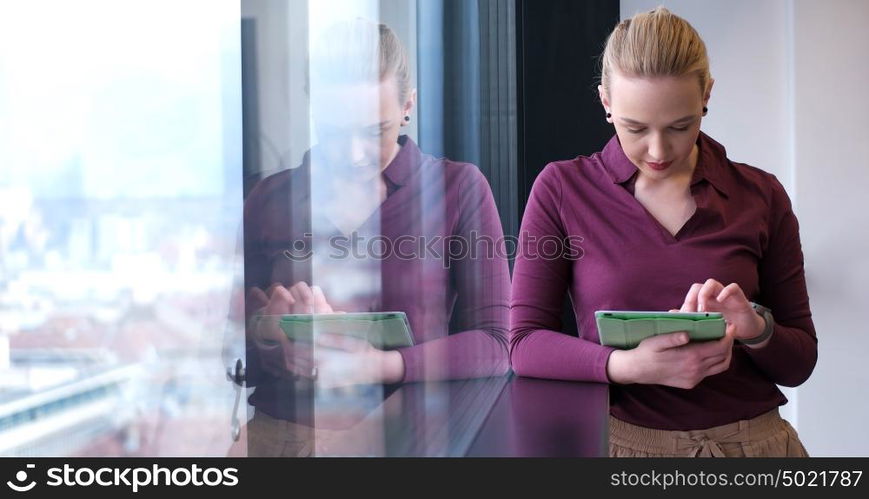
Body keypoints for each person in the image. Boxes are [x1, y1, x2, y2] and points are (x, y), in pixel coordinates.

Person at [510, 7, 817, 457]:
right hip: (624, 449)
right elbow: (523, 345)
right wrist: (625, 366)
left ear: (706, 95)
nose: (657, 151)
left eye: (681, 126)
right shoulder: (562, 189)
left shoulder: (760, 194)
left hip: (756, 448)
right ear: (605, 101)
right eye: (636, 128)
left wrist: (754, 327)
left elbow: (800, 361)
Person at [240, 18, 510, 456]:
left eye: (374, 131)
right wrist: (272, 338)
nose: (353, 155)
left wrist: (375, 365)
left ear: (409, 106)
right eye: (334, 131)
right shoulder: (270, 197)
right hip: (282, 440)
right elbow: (225, 351)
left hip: (409, 441)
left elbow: (499, 344)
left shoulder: (458, 188)